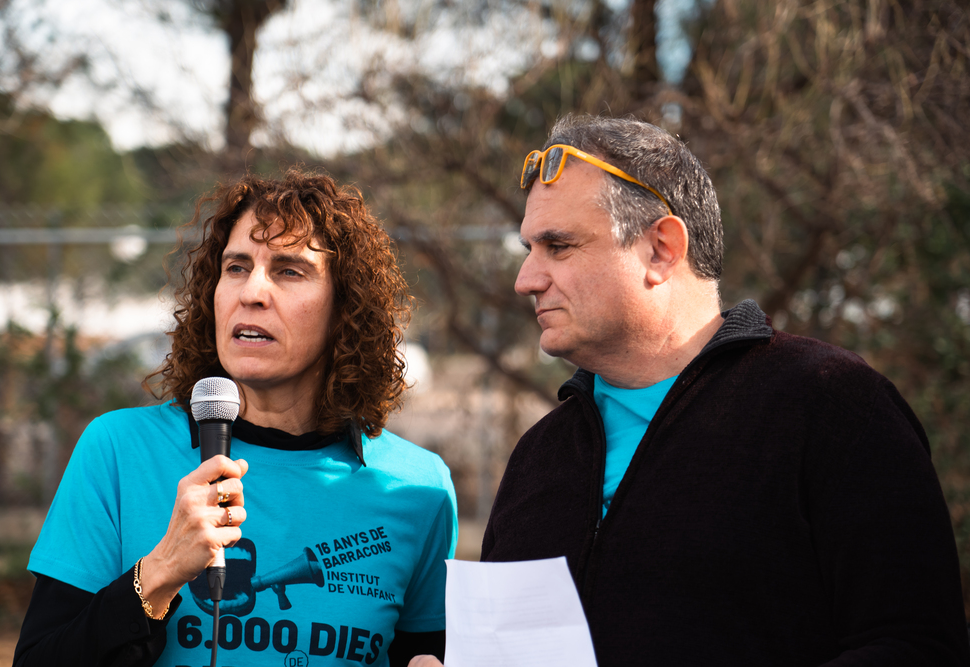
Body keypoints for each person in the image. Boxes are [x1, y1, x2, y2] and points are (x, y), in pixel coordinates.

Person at [416, 114, 970, 666]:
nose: (526, 280)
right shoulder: (537, 457)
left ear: (661, 249)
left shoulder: (832, 404)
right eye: (529, 250)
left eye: (558, 246)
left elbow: (919, 646)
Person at [14, 168, 457, 667]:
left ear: (345, 308)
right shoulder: (118, 452)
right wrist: (158, 572)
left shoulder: (420, 490)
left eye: (289, 271)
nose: (252, 292)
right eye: (237, 267)